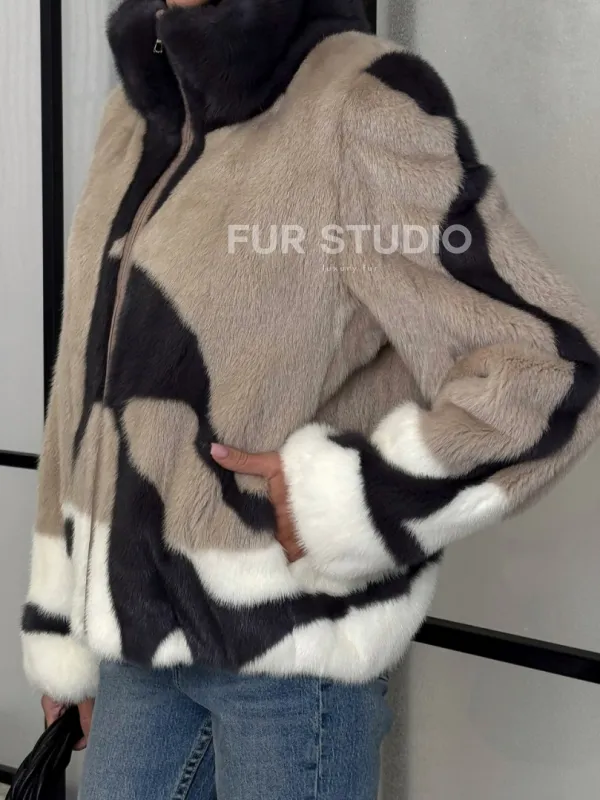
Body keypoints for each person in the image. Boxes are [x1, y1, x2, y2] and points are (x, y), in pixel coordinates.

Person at [21, 0, 600, 797]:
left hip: (290, 657)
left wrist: (352, 502)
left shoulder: (360, 102)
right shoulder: (137, 109)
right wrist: (64, 623)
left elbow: (546, 365)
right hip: (138, 646)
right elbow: (85, 385)